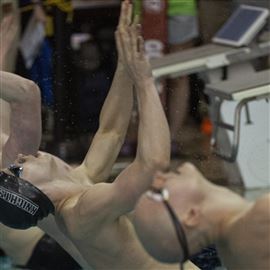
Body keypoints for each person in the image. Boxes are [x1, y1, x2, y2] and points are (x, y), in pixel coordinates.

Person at [0, 1, 198, 269]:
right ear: (37, 192)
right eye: (19, 169)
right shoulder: (81, 213)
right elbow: (153, 166)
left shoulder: (77, 185)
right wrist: (145, 82)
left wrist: (125, 65)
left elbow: (111, 132)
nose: (23, 157)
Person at [134, 162, 270, 270]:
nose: (158, 178)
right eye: (158, 192)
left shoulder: (230, 254)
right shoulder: (262, 219)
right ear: (192, 216)